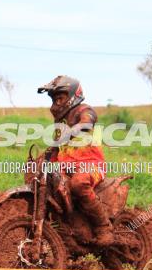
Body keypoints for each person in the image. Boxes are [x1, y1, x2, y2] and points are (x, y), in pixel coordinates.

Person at [37, 75, 113, 246]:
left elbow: (87, 122)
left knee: (79, 184)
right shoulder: (59, 122)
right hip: (66, 167)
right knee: (47, 184)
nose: (56, 103)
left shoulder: (84, 110)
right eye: (54, 99)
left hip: (91, 165)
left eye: (60, 98)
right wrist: (42, 159)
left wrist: (73, 130)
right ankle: (65, 228)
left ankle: (103, 226)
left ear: (72, 95)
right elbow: (56, 148)